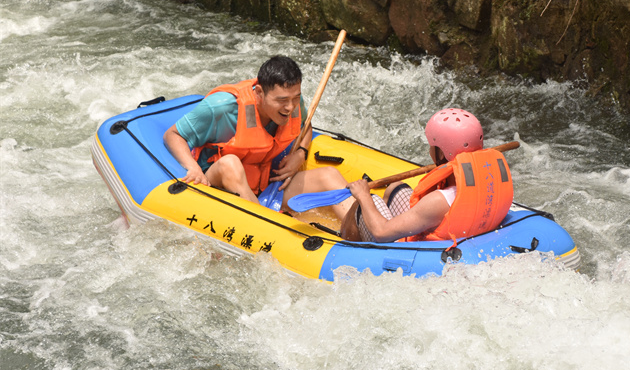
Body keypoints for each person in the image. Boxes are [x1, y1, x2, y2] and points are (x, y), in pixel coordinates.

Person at [164, 55, 353, 219]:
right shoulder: (222, 108)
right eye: (281, 100)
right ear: (260, 93)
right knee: (231, 164)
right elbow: (173, 135)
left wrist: (301, 153)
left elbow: (304, 125)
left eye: (295, 98)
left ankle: (369, 234)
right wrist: (193, 168)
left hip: (265, 189)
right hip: (218, 185)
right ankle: (269, 227)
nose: (290, 107)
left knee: (329, 175)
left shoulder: (293, 103)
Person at [340, 108, 513, 244]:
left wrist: (363, 196)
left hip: (405, 250)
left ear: (441, 153)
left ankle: (344, 243)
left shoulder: (440, 200)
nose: (429, 150)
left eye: (432, 145)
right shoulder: (492, 180)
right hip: (456, 234)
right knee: (396, 188)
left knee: (368, 202)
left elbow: (381, 232)